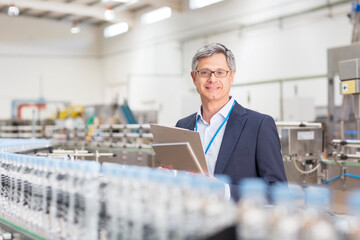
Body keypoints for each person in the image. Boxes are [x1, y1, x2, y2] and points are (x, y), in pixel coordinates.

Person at [176, 43, 287, 200]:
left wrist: (224, 191)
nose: (212, 79)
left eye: (220, 72)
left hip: (236, 221)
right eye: (204, 72)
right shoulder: (182, 126)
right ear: (194, 78)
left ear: (231, 76)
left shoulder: (259, 125)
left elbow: (278, 190)